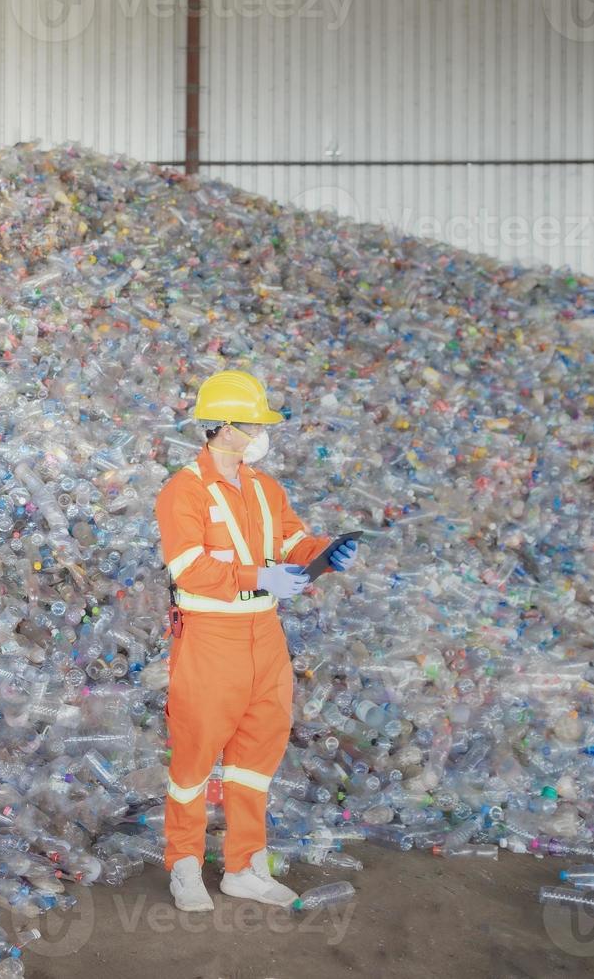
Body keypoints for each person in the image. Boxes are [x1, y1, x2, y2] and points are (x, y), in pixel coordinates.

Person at [153, 370, 358, 912]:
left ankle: (245, 866)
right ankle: (185, 865)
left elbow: (292, 541)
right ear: (221, 427)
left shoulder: (266, 488)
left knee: (256, 754)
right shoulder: (183, 490)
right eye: (251, 424)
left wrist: (324, 553)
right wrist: (257, 577)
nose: (260, 434)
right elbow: (190, 568)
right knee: (195, 757)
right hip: (209, 640)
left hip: (264, 636)